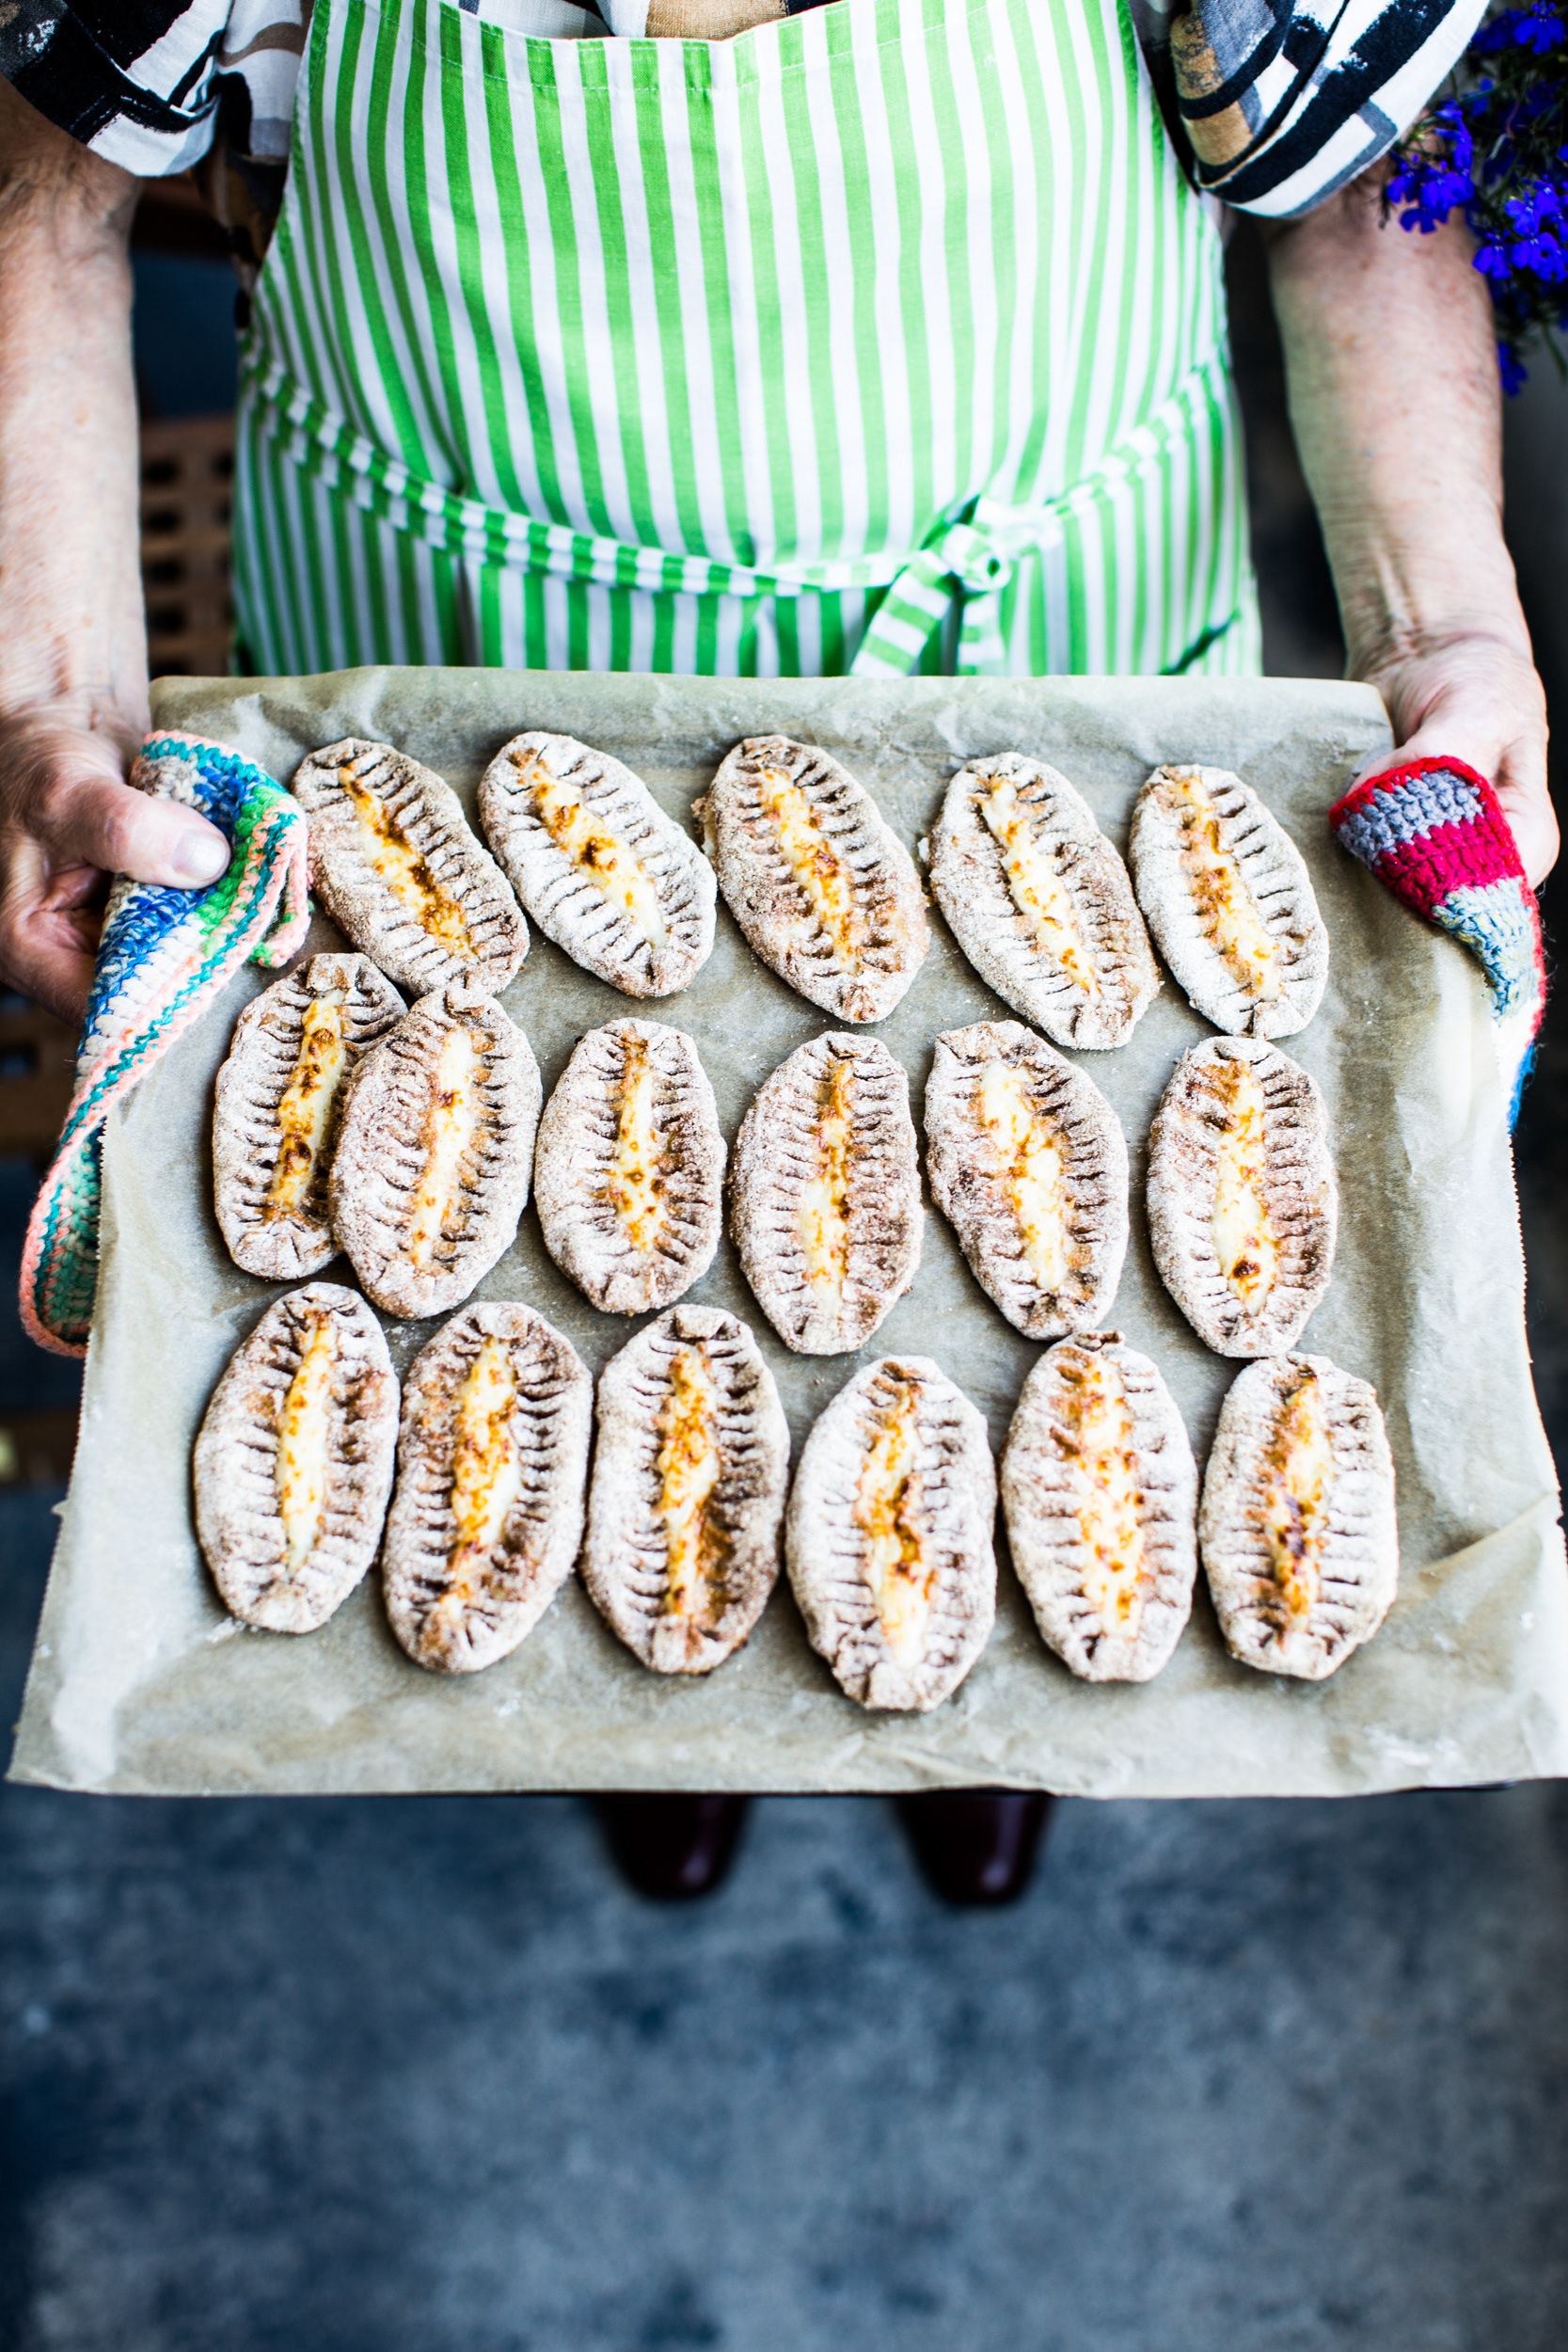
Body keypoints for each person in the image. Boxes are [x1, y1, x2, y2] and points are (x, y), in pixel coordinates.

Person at [0, 0, 1555, 1905]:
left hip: (1054, 650)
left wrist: (1451, 626)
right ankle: (655, 1697)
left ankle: (981, 1692)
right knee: (566, 1475)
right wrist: (46, 701)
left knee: (1055, 1359)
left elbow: (1358, 188)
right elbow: (48, 179)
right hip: (454, 674)